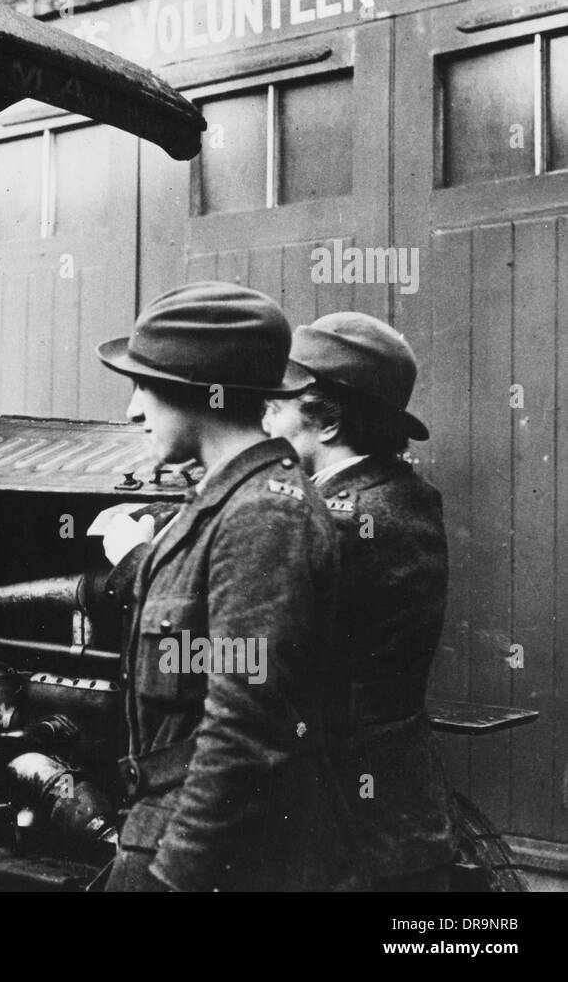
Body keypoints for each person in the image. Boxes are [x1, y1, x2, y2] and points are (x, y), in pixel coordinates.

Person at [95, 281, 358, 891]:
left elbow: (243, 728)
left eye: (145, 386)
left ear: (195, 393)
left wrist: (172, 877)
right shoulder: (224, 502)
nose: (133, 411)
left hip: (220, 858)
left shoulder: (265, 517)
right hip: (168, 833)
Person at [263, 311, 453, 891]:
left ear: (327, 422)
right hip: (392, 817)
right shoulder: (400, 494)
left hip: (346, 832)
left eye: (275, 404)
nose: (261, 417)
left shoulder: (343, 519)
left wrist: (133, 562)